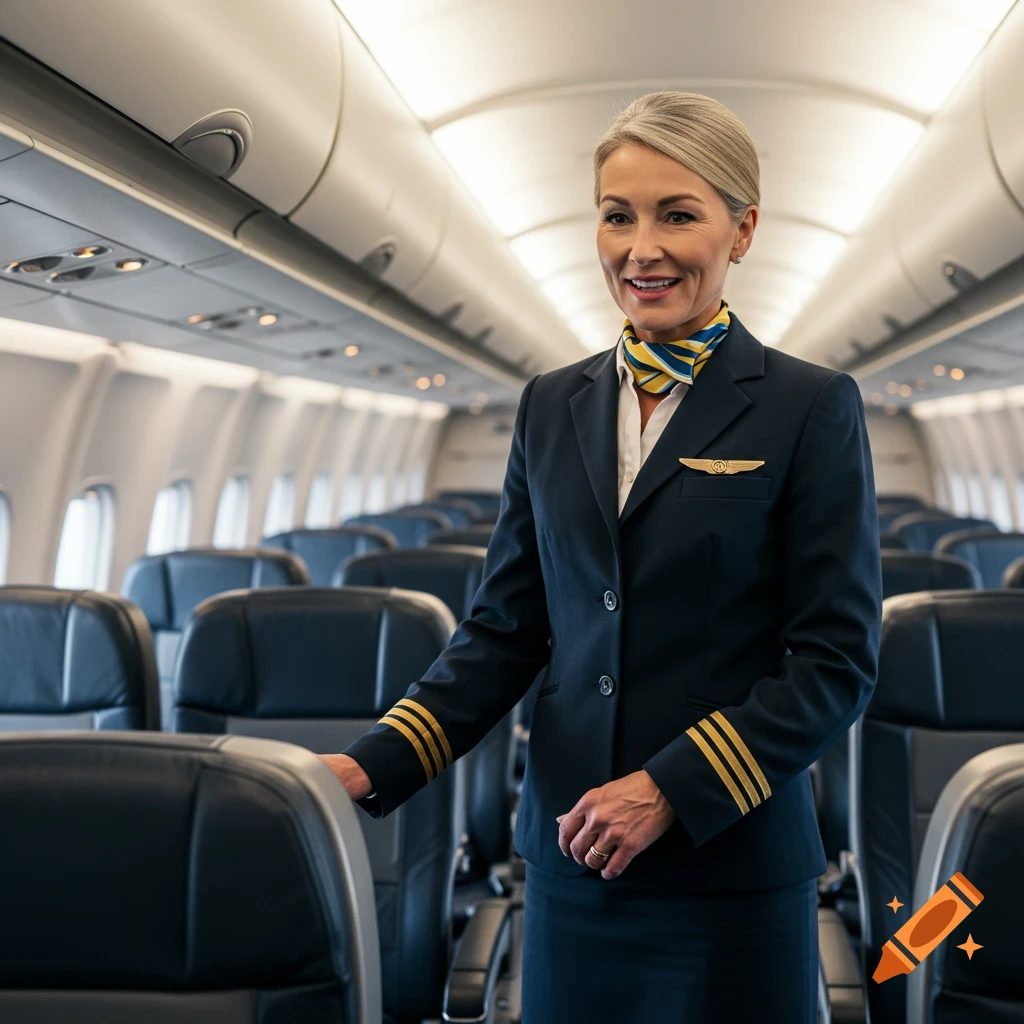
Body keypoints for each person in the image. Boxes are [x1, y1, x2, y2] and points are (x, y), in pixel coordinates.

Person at [322, 91, 882, 1022]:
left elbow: (835, 662)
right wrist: (367, 766)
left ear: (742, 230)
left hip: (730, 868)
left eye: (678, 215)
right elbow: (506, 630)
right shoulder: (552, 404)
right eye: (618, 215)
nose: (641, 248)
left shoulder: (808, 406)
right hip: (574, 862)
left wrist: (671, 787)